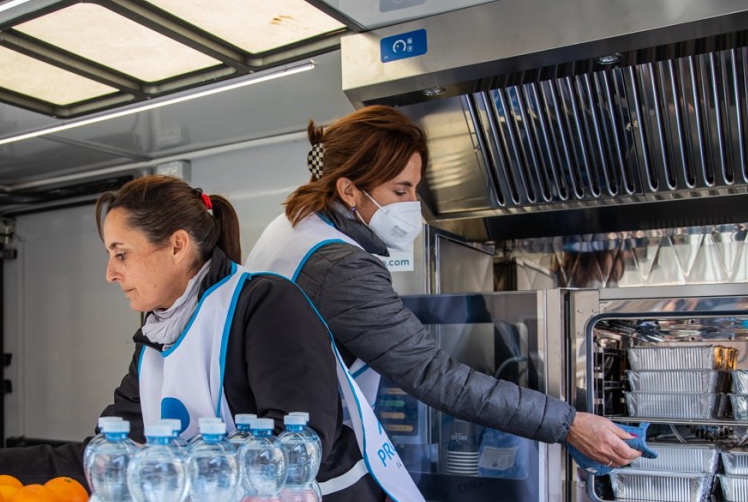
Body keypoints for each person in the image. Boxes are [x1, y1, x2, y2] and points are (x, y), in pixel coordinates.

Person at [0, 175, 450, 502]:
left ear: (177, 246)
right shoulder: (156, 339)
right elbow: (111, 458)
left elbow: (298, 451)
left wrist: (175, 480)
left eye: (121, 253)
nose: (110, 273)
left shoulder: (265, 304)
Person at [245, 105, 642, 471]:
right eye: (400, 191)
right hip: (302, 461)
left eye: (415, 190)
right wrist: (568, 424)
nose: (412, 205)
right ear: (349, 191)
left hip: (279, 444)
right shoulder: (340, 264)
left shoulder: (292, 226)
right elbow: (435, 375)